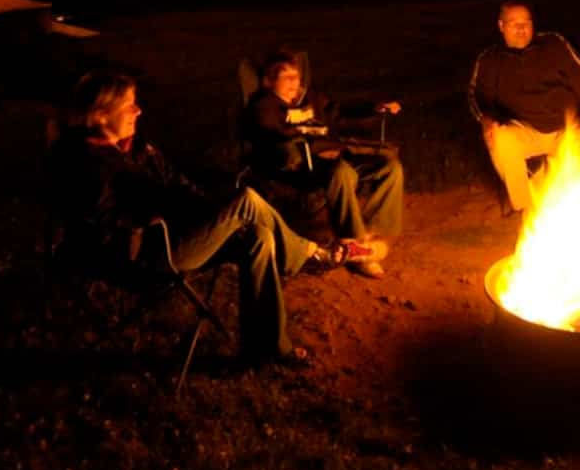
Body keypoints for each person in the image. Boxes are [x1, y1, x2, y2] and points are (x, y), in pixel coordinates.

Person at [52, 71, 380, 366]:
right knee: (247, 200)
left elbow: (177, 183)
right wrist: (153, 215)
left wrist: (211, 213)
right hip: (147, 254)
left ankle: (268, 348)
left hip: (183, 234)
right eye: (128, 105)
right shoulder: (84, 164)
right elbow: (102, 223)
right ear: (99, 115)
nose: (138, 110)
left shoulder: (139, 147)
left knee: (258, 238)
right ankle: (312, 254)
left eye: (136, 103)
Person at [243, 49, 404, 277]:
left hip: (331, 155)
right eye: (286, 78)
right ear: (269, 82)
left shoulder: (309, 99)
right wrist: (301, 130)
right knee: (341, 173)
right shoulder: (264, 106)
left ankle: (373, 235)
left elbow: (338, 110)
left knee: (390, 167)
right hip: (299, 165)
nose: (294, 83)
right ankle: (354, 245)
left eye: (296, 77)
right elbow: (267, 133)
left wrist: (373, 108)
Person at [468, 0, 580, 213]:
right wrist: (486, 120)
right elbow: (476, 97)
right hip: (524, 132)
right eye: (514, 23)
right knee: (500, 138)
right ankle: (526, 208)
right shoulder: (491, 60)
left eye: (526, 22)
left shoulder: (553, 45)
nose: (522, 29)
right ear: (501, 26)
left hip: (565, 131)